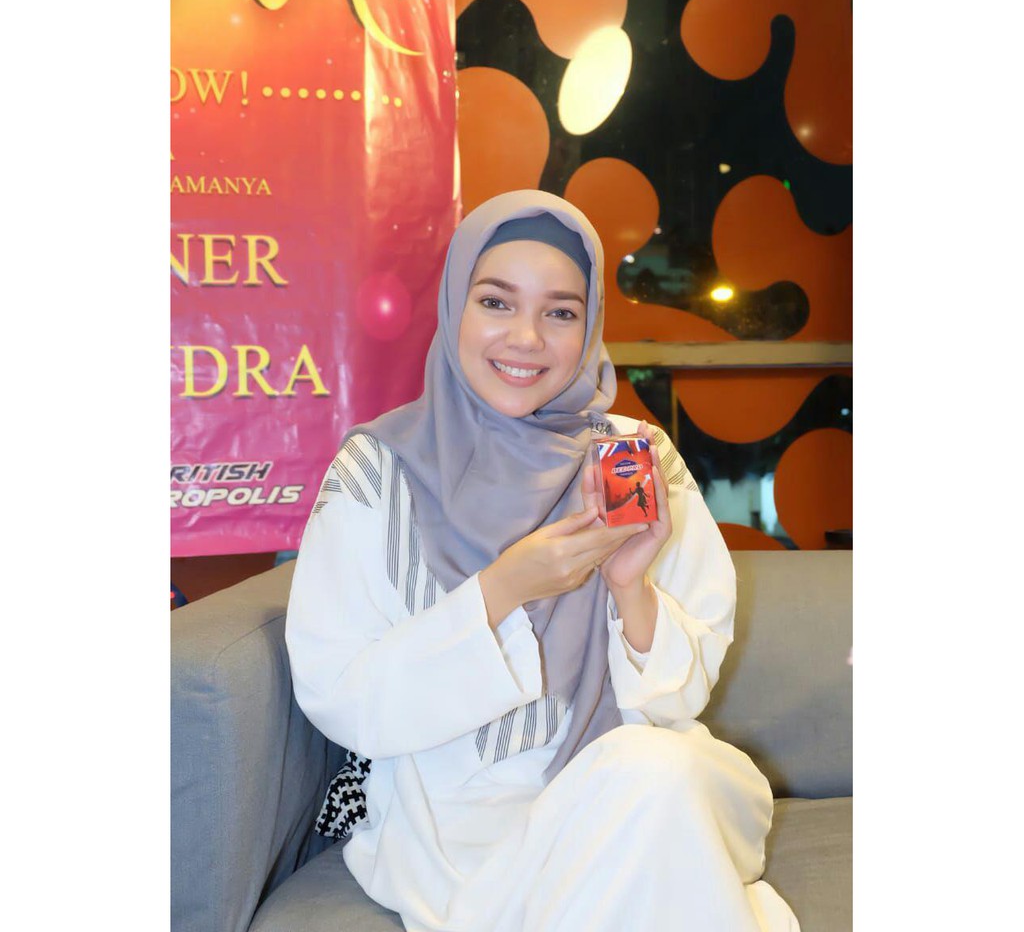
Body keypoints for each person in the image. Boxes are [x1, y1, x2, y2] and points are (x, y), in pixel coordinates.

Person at [285, 190, 799, 931]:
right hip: (463, 817)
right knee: (656, 795)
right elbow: (342, 698)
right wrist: (504, 589)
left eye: (560, 312)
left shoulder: (637, 458)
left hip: (651, 782)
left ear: (590, 326)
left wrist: (631, 589)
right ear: (454, 307)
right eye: (496, 302)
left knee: (656, 773)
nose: (526, 338)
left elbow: (676, 703)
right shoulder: (378, 471)